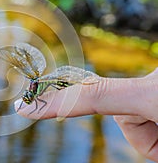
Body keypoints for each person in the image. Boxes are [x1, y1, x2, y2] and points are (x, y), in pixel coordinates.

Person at [14, 68, 158, 162]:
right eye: (27, 97)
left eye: (28, 97)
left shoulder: (42, 85)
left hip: (63, 81)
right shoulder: (33, 89)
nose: (28, 97)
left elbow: (42, 104)